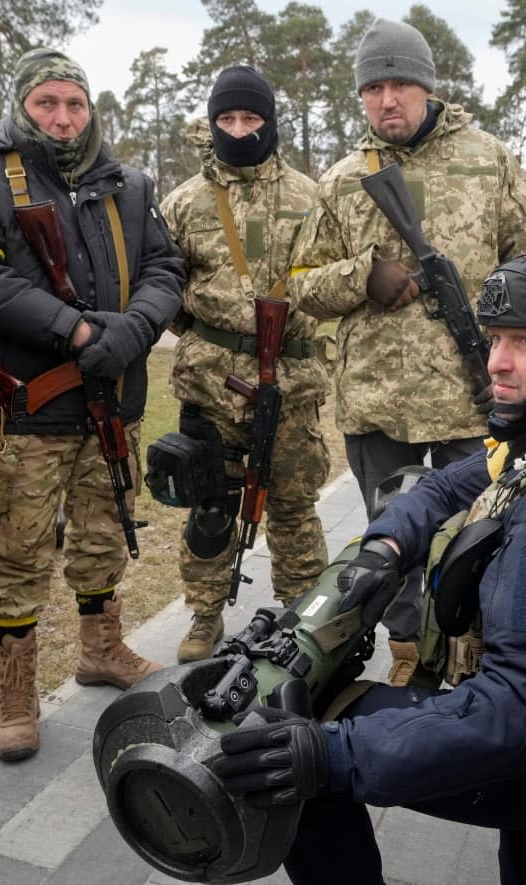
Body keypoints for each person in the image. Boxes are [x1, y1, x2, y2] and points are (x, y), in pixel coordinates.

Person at [212, 248, 526, 885]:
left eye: (520, 341)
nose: (496, 362)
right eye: (493, 339)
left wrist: (331, 757)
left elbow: (520, 715)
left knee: (301, 737)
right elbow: (440, 489)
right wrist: (386, 550)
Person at [0, 48, 185, 762]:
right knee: (16, 551)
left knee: (105, 534)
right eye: (48, 103)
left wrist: (135, 329)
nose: (64, 118)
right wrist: (72, 329)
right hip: (32, 410)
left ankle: (101, 649)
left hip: (115, 405)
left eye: (75, 104)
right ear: (23, 106)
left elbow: (166, 267)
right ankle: (17, 692)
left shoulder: (128, 183)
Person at [288, 18, 526, 684]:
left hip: (478, 394)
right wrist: (361, 275)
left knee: (484, 532)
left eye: (400, 83)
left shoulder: (487, 157)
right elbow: (298, 284)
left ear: (427, 86)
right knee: (392, 537)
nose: (387, 100)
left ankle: (477, 659)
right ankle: (409, 656)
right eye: (373, 87)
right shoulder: (345, 178)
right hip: (380, 401)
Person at [159, 66, 329, 662]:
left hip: (291, 384)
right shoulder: (183, 203)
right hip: (209, 386)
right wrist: (214, 341)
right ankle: (205, 616)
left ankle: (306, 617)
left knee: (292, 507)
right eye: (226, 119)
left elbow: (331, 282)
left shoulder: (313, 198)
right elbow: (167, 288)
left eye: (251, 118)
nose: (238, 129)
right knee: (210, 509)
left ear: (271, 121)